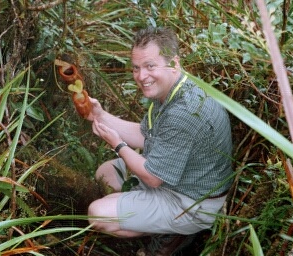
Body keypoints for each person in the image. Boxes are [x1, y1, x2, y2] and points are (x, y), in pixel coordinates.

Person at [86, 26, 234, 255]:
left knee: (97, 215)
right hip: (174, 177)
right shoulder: (172, 89)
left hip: (191, 202)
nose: (141, 76)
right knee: (105, 174)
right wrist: (100, 115)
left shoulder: (184, 112)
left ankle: (173, 235)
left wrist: (118, 145)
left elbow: (153, 178)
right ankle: (149, 217)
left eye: (150, 66)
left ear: (173, 63)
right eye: (136, 68)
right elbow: (146, 136)